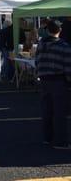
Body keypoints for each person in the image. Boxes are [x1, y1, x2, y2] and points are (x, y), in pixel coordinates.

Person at [35, 19, 71, 149]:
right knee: (60, 112)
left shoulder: (41, 44)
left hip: (44, 80)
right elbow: (68, 66)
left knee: (47, 110)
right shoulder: (64, 46)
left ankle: (47, 138)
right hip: (59, 81)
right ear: (60, 30)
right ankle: (61, 142)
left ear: (47, 30)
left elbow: (37, 62)